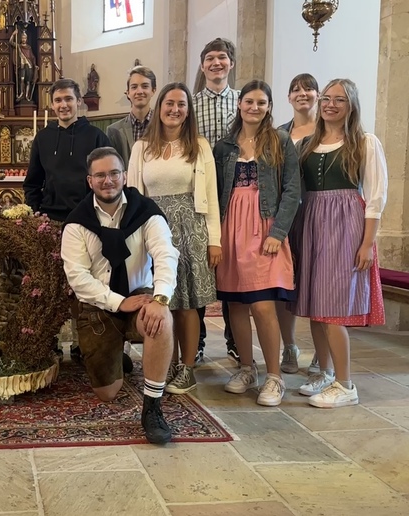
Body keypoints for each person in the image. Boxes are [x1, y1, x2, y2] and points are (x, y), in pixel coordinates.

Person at [61, 146, 178, 444]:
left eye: (114, 173)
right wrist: (118, 302)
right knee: (108, 393)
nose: (108, 180)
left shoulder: (146, 212)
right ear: (90, 181)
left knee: (161, 319)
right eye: (100, 175)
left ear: (124, 176)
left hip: (139, 295)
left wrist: (161, 299)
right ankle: (116, 357)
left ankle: (152, 407)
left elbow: (165, 255)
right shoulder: (77, 223)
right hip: (99, 304)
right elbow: (78, 278)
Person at [292, 79, 387, 408]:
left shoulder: (364, 142)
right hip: (312, 224)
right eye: (327, 98)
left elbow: (375, 198)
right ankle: (326, 372)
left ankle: (346, 385)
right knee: (316, 308)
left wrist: (367, 243)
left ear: (351, 105)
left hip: (346, 225)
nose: (331, 104)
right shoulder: (308, 144)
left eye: (340, 100)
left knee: (332, 309)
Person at [127, 82, 220, 395]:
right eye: (169, 103)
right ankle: (167, 361)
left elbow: (211, 196)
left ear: (188, 111)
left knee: (187, 303)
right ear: (159, 108)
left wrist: (215, 240)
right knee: (161, 298)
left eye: (182, 104)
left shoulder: (199, 146)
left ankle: (187, 368)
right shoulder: (142, 147)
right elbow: (133, 195)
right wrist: (132, 237)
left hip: (190, 228)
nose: (175, 109)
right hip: (153, 227)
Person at [213, 80, 301, 407]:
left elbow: (292, 189)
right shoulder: (224, 147)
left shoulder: (280, 141)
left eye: (261, 102)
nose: (254, 107)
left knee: (263, 305)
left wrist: (278, 232)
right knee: (236, 304)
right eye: (249, 101)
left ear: (269, 107)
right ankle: (246, 368)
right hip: (230, 227)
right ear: (239, 104)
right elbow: (214, 191)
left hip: (265, 228)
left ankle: (274, 376)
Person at [193, 37, 240, 366]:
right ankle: (196, 341)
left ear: (230, 63)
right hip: (199, 189)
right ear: (202, 65)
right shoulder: (191, 103)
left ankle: (235, 341)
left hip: (236, 190)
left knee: (233, 265)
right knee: (199, 266)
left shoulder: (242, 101)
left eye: (221, 57)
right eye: (210, 58)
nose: (216, 63)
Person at [276, 73, 319, 375]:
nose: (302, 94)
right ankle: (289, 346)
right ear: (288, 97)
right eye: (296, 90)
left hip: (318, 212)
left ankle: (322, 351)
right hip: (286, 215)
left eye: (308, 88)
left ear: (318, 94)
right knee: (284, 283)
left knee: (318, 283)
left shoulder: (329, 131)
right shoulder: (280, 133)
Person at [23, 78, 111, 222]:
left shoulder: (96, 136)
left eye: (68, 99)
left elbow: (107, 179)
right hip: (49, 217)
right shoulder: (42, 138)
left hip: (88, 216)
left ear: (78, 101)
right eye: (58, 100)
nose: (63, 105)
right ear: (52, 105)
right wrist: (35, 210)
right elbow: (32, 183)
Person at [106, 66, 157, 168]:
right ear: (128, 93)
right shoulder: (114, 131)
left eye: (145, 86)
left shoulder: (163, 125)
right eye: (134, 87)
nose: (139, 91)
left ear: (153, 90)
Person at [10, 28, 37, 101]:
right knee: (21, 79)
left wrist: (35, 64)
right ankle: (21, 93)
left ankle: (27, 95)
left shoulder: (29, 47)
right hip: (22, 65)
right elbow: (10, 42)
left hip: (29, 65)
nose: (23, 39)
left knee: (28, 81)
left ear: (26, 39)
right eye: (22, 38)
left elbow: (32, 57)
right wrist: (13, 34)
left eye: (25, 38)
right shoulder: (19, 46)